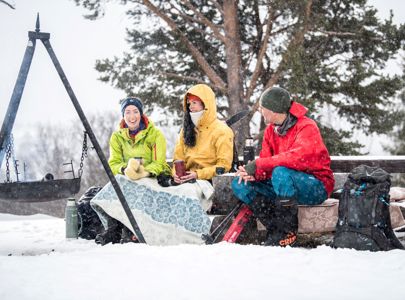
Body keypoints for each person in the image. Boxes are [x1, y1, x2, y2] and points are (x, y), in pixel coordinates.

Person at [232, 86, 335, 247]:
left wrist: (259, 163)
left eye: (262, 108)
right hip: (283, 184)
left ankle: (288, 232)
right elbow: (267, 164)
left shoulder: (307, 126)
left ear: (273, 110)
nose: (260, 111)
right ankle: (275, 229)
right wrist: (255, 174)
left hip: (315, 186)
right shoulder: (270, 131)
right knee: (240, 184)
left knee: (281, 172)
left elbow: (298, 158)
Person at [94, 97, 171, 245]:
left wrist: (144, 172)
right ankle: (113, 228)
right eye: (127, 112)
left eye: (135, 111)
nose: (132, 116)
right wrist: (125, 169)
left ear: (141, 114)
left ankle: (131, 231)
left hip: (151, 176)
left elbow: (159, 163)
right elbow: (113, 163)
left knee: (135, 189)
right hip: (127, 176)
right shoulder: (117, 137)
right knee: (115, 187)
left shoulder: (155, 134)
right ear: (123, 115)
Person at [172, 83, 234, 183]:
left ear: (206, 104)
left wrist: (198, 174)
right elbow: (178, 158)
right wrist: (175, 174)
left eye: (194, 102)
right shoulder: (186, 130)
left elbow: (223, 165)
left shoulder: (222, 130)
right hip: (186, 180)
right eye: (189, 103)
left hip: (210, 181)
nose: (190, 107)